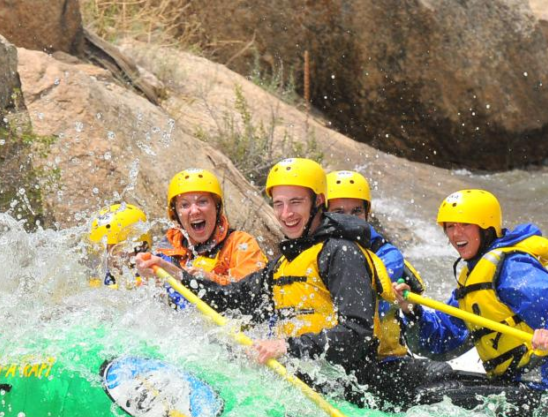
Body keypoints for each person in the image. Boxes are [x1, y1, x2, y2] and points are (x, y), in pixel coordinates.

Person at [136, 158, 394, 401]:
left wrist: (286, 346)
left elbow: (357, 334)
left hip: (357, 386)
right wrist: (177, 275)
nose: (286, 213)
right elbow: (233, 299)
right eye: (278, 204)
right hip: (311, 382)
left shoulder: (341, 253)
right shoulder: (284, 263)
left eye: (295, 202)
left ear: (318, 201)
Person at [392, 189, 548, 417]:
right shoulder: (472, 279)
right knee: (430, 381)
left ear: (486, 227)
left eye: (465, 225)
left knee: (431, 398)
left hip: (545, 390)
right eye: (450, 226)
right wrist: (411, 310)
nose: (455, 234)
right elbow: (442, 342)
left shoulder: (512, 269)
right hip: (512, 383)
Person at [324, 169, 452, 408]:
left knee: (442, 375)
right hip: (334, 363)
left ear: (367, 214)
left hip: (385, 362)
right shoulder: (315, 253)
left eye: (356, 212)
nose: (349, 220)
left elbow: (360, 298)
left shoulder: (388, 256)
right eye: (339, 212)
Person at [155, 167, 267, 291]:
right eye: (185, 205)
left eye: (202, 202)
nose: (194, 211)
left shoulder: (241, 244)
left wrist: (210, 279)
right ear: (176, 214)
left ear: (216, 207)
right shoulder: (166, 250)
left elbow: (252, 290)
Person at [87, 202, 151, 287]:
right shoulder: (101, 280)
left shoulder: (155, 274)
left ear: (141, 247)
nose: (113, 256)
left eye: (118, 248)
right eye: (107, 249)